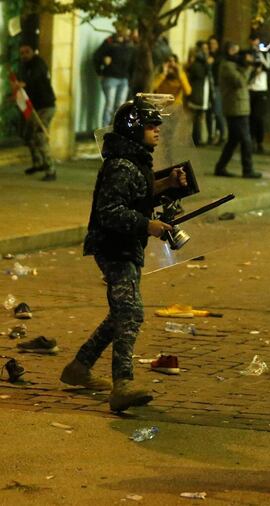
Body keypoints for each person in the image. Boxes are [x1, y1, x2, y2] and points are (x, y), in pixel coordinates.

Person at [60, 97, 188, 412]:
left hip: (125, 246)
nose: (157, 129)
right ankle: (123, 384)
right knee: (130, 312)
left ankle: (79, 367)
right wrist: (148, 224)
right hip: (113, 246)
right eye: (150, 124)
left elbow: (138, 192)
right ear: (133, 129)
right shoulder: (121, 164)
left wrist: (167, 184)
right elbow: (109, 212)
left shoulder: (134, 160)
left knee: (121, 312)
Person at [214, 43, 261, 179]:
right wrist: (248, 67)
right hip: (235, 108)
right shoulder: (227, 66)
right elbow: (239, 82)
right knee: (246, 140)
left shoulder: (235, 66)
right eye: (234, 50)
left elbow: (245, 83)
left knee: (233, 140)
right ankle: (248, 169)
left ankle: (220, 167)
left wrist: (252, 70)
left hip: (241, 107)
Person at [16, 42, 56, 181]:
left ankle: (51, 169)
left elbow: (35, 77)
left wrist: (24, 83)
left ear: (33, 52)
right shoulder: (23, 66)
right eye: (22, 53)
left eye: (27, 52)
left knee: (40, 136)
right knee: (28, 136)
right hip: (34, 107)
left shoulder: (39, 63)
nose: (24, 55)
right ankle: (38, 163)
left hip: (45, 106)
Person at [94, 23, 135, 126]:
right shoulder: (110, 41)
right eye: (124, 28)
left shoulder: (129, 43)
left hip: (124, 78)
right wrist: (100, 68)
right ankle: (105, 129)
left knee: (120, 105)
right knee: (110, 104)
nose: (127, 31)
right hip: (111, 77)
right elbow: (96, 56)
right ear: (118, 29)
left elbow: (132, 61)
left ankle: (116, 128)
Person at [247, 34, 270, 153]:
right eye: (254, 42)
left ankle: (260, 142)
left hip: (261, 89)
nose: (256, 44)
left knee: (259, 118)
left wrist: (261, 56)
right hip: (250, 88)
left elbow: (268, 67)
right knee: (250, 117)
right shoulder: (247, 54)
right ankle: (250, 141)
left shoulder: (265, 54)